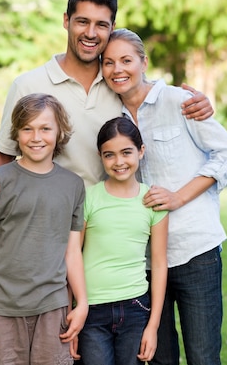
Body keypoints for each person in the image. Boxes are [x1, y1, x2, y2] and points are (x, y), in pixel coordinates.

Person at [0, 0, 214, 207]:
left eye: (101, 25)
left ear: (112, 28)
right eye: (82, 22)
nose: (90, 33)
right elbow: (3, 152)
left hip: (110, 224)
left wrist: (198, 103)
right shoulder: (28, 85)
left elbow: (156, 102)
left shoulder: (119, 83)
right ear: (66, 20)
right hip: (52, 222)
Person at [100, 28, 227, 365]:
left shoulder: (179, 102)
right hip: (143, 262)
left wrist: (178, 197)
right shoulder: (106, 116)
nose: (117, 69)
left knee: (203, 356)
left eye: (126, 60)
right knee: (158, 358)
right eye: (108, 63)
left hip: (195, 251)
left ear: (144, 62)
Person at [0, 93, 87, 365]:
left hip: (53, 307)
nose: (36, 137)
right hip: (3, 306)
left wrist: (82, 303)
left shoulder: (73, 186)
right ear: (16, 133)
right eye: (27, 128)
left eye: (45, 128)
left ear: (59, 132)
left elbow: (72, 251)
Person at [77, 117, 168, 365]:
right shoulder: (89, 198)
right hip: (92, 310)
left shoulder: (153, 201)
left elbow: (159, 264)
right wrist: (72, 310)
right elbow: (72, 255)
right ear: (100, 156)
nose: (119, 162)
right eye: (109, 155)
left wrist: (153, 326)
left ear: (141, 151)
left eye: (126, 152)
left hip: (136, 307)